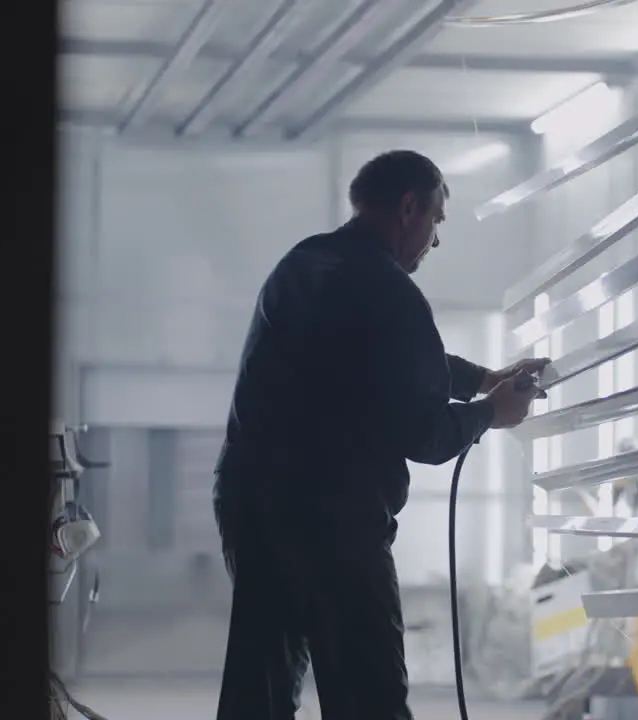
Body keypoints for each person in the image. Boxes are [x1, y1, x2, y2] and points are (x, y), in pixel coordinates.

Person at [211, 149, 548, 720]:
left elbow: (390, 361)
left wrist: (483, 380)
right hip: (335, 528)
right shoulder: (392, 293)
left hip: (254, 510)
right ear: (408, 206)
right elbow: (427, 435)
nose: (435, 239)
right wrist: (492, 412)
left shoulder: (303, 264)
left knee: (259, 693)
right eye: (437, 220)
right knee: (369, 702)